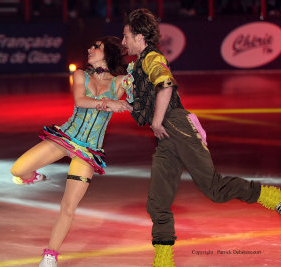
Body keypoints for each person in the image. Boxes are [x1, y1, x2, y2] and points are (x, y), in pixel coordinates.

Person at [100, 8, 281, 267]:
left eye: (126, 35)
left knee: (214, 189)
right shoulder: (138, 65)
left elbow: (166, 85)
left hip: (177, 126)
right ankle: (163, 261)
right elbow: (148, 102)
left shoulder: (151, 57)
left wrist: (157, 120)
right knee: (158, 202)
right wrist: (122, 106)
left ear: (139, 36)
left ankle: (273, 198)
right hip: (166, 138)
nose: (124, 40)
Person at [10, 36, 128, 267]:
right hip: (65, 137)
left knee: (68, 206)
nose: (89, 48)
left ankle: (50, 256)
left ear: (109, 54)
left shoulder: (120, 82)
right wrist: (107, 104)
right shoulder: (80, 75)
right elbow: (81, 100)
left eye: (96, 46)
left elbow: (140, 96)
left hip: (89, 151)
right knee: (18, 169)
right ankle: (34, 177)